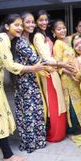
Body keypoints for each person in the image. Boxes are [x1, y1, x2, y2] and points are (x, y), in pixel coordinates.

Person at [0, 14, 47, 161]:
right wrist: (34, 68)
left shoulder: (6, 40)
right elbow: (10, 66)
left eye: (21, 25)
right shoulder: (2, 39)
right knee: (1, 115)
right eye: (16, 25)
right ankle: (8, 156)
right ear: (7, 26)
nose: (20, 28)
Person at [33, 10, 76, 142]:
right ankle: (55, 134)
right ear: (36, 22)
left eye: (46, 20)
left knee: (59, 102)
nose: (44, 22)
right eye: (41, 20)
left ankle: (59, 132)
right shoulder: (38, 37)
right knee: (54, 103)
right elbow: (46, 58)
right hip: (49, 72)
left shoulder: (44, 35)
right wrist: (62, 64)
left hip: (53, 71)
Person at [14, 12, 49, 153]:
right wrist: (61, 65)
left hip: (32, 80)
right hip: (26, 83)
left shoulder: (27, 40)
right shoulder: (21, 42)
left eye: (32, 22)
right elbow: (37, 61)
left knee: (36, 111)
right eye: (27, 22)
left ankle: (37, 141)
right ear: (21, 24)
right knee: (29, 114)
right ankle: (31, 143)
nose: (31, 25)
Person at [52, 20, 81, 135]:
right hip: (67, 78)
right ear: (54, 32)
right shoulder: (58, 44)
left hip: (76, 75)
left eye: (63, 28)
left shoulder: (68, 41)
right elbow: (57, 64)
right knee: (72, 103)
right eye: (58, 29)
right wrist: (68, 72)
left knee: (80, 100)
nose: (62, 30)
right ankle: (75, 127)